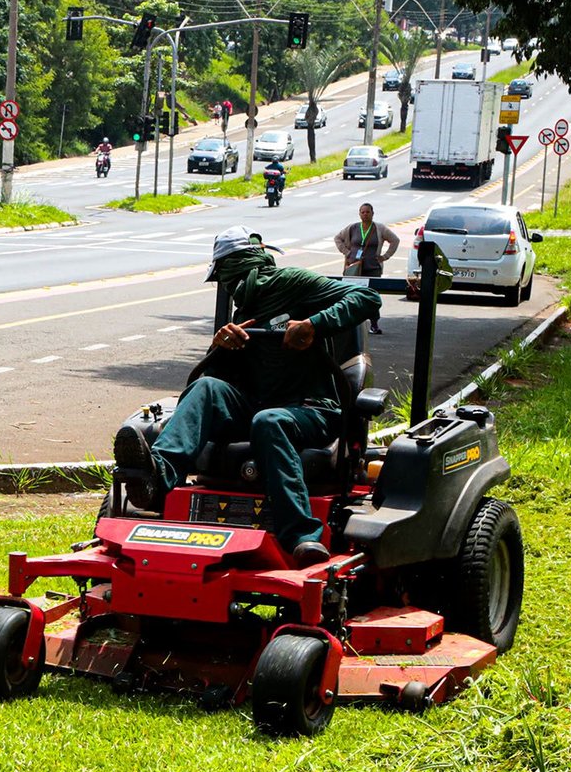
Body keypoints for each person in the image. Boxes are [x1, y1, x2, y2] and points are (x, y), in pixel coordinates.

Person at [113, 226, 382, 567]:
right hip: (258, 406)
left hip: (310, 410)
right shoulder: (243, 313)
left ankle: (301, 536)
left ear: (243, 267)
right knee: (205, 388)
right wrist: (221, 347)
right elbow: (227, 379)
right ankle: (159, 478)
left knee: (269, 421)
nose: (228, 286)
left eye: (228, 276)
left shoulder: (292, 282)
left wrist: (313, 325)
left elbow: (367, 299)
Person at [333, 202, 401, 335]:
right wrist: (347, 253)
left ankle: (374, 324)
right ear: (359, 214)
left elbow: (395, 240)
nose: (365, 214)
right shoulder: (352, 228)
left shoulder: (379, 228)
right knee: (352, 295)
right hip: (354, 267)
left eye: (367, 212)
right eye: (362, 212)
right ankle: (350, 323)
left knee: (371, 296)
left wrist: (385, 256)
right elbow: (337, 239)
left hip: (372, 268)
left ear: (372, 213)